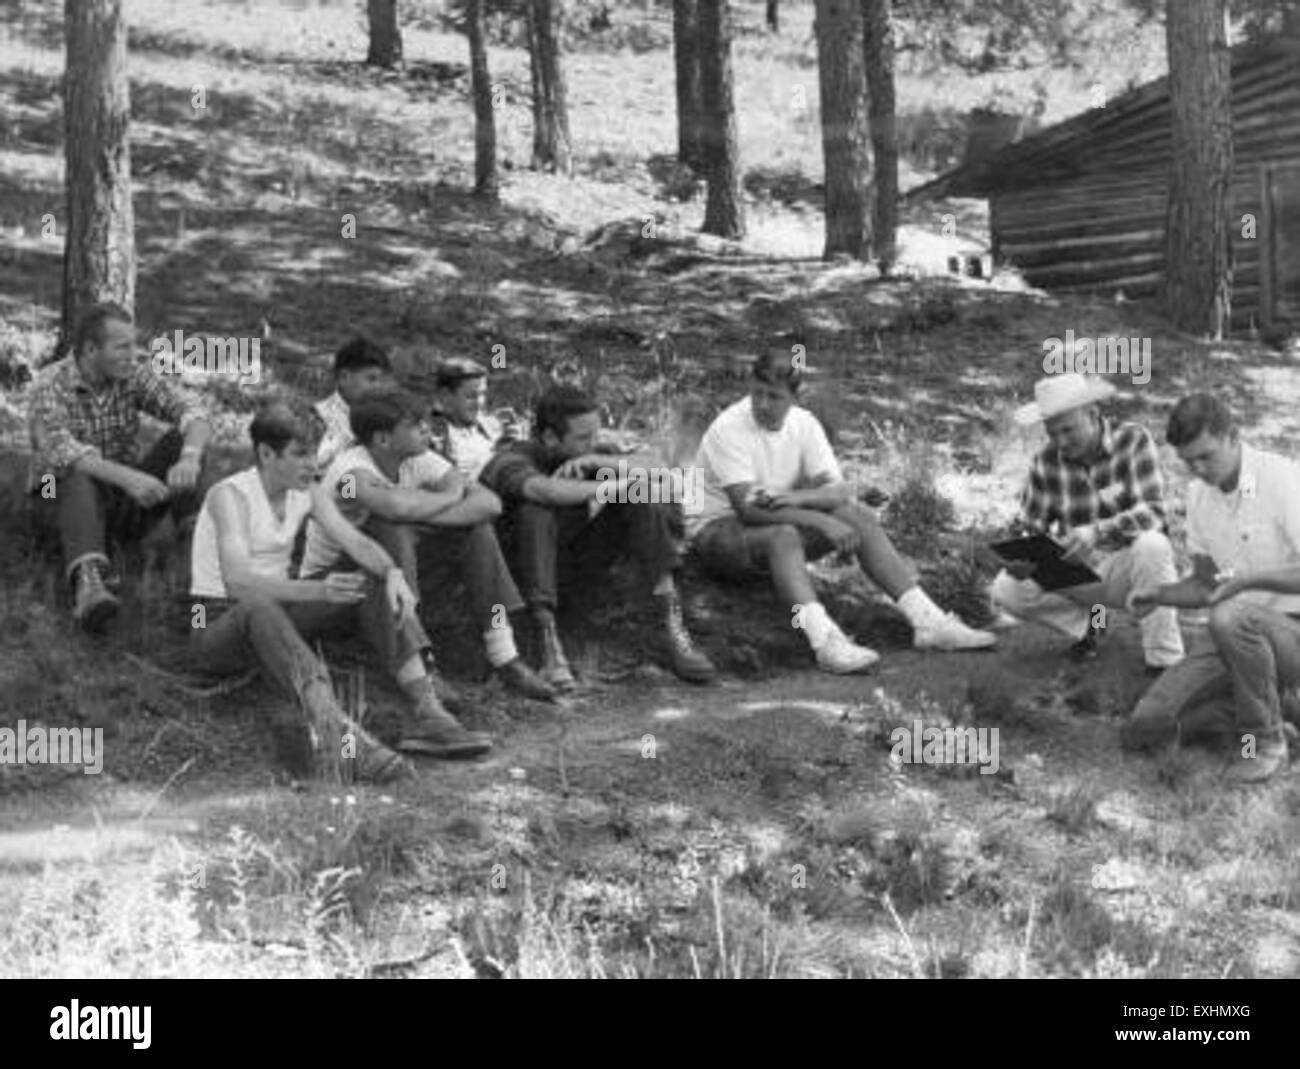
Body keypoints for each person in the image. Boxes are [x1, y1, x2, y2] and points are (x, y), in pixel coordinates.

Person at [189, 399, 491, 781]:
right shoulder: (229, 496)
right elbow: (237, 582)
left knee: (372, 575)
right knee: (258, 605)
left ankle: (426, 707)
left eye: (314, 453)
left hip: (280, 613)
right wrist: (319, 591)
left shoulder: (307, 491)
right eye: (300, 454)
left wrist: (393, 573)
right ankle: (341, 736)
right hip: (216, 625)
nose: (312, 464)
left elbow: (357, 543)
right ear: (266, 453)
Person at [689, 350, 994, 673]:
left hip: (773, 520)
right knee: (784, 536)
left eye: (774, 397)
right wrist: (818, 518)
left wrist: (796, 499)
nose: (762, 404)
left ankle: (927, 621)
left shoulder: (804, 425)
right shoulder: (729, 427)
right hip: (716, 531)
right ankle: (825, 642)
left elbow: (837, 492)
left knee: (856, 517)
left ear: (795, 397)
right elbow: (748, 509)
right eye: (757, 393)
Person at [302, 387, 555, 701]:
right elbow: (394, 508)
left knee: (478, 530)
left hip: (393, 573)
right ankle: (422, 664)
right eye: (414, 425)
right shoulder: (350, 473)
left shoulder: (419, 458)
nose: (427, 429)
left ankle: (505, 655)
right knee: (391, 527)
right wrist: (448, 497)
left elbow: (489, 504)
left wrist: (429, 508)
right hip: (339, 583)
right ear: (382, 439)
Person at [480, 383, 716, 689]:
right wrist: (615, 487)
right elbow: (547, 491)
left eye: (596, 435)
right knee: (535, 510)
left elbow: (669, 478)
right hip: (524, 579)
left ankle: (671, 625)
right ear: (551, 437)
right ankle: (547, 642)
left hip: (577, 564)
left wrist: (600, 463)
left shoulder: (589, 454)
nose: (593, 443)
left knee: (641, 494)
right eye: (583, 438)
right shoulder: (511, 460)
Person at [1125, 394, 1299, 783]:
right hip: (1235, 640)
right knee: (1145, 729)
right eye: (1188, 462)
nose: (1199, 469)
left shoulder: (1283, 478)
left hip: (1289, 633)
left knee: (1230, 616)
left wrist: (1249, 581)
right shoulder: (1198, 495)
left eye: (1206, 456)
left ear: (1233, 436)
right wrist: (1159, 595)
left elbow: (1230, 595)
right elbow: (1206, 585)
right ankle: (1280, 708)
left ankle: (1264, 744)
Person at [29, 303, 212, 631]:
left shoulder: (133, 375)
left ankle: (197, 559)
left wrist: (190, 457)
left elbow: (194, 413)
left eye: (134, 345)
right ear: (90, 349)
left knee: (179, 441)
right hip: (56, 503)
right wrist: (131, 478)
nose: (133, 354)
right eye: (122, 347)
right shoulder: (49, 384)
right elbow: (61, 451)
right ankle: (89, 585)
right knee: (71, 470)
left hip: (121, 502)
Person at [988, 373, 1184, 672]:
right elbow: (1030, 525)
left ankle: (1164, 662)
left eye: (1068, 430)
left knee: (1153, 545)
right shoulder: (1045, 462)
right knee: (1007, 588)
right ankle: (1092, 626)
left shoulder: (1132, 440)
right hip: (1078, 570)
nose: (1061, 442)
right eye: (1052, 433)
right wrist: (1020, 550)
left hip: (1128, 565)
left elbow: (1155, 513)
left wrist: (1097, 530)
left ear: (1092, 414)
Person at [427, 357, 512, 481]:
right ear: (445, 396)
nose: (479, 403)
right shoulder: (430, 436)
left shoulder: (493, 425)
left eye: (482, 394)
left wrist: (514, 446)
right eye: (471, 396)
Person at [315, 335, 392, 471]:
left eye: (381, 381)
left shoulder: (381, 422)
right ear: (344, 377)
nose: (378, 387)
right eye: (371, 379)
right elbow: (316, 470)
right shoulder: (318, 418)